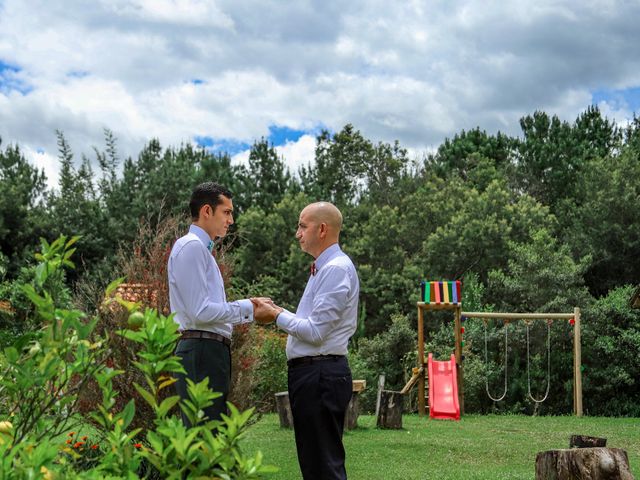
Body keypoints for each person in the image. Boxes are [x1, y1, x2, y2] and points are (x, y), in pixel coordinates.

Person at [253, 201, 359, 480]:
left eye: (302, 226)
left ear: (322, 229)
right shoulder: (324, 268)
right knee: (315, 464)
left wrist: (275, 315)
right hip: (315, 374)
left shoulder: (335, 269)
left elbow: (315, 332)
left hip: (320, 375)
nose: (297, 233)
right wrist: (278, 311)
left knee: (323, 467)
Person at [168, 181, 268, 426]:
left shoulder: (201, 250)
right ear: (206, 211)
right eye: (227, 212)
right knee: (204, 436)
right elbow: (200, 311)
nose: (231, 220)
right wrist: (249, 308)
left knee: (210, 434)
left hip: (207, 350)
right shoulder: (192, 247)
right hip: (201, 350)